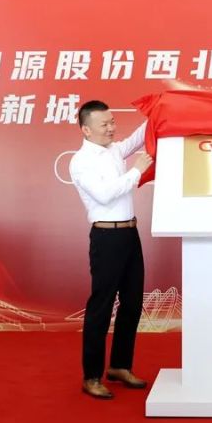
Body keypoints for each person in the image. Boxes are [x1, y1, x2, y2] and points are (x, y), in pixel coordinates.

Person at [68, 100, 154, 400]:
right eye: (104, 124)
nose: (111, 128)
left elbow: (139, 136)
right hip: (106, 237)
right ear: (86, 129)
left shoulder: (115, 150)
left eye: (113, 122)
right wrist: (136, 172)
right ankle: (91, 376)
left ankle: (119, 366)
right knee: (101, 307)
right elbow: (104, 195)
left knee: (132, 303)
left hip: (130, 233)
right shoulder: (80, 161)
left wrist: (161, 110)